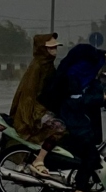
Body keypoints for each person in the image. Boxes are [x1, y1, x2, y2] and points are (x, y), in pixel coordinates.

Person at [40, 43, 106, 192]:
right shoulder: (73, 77)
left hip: (76, 122)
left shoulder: (80, 76)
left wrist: (105, 97)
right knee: (92, 157)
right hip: (72, 124)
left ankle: (81, 189)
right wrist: (102, 99)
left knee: (90, 153)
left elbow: (90, 92)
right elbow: (77, 101)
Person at [7, 33, 65, 177]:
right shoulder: (37, 66)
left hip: (43, 108)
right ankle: (39, 160)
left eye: (55, 47)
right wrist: (29, 118)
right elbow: (28, 94)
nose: (54, 50)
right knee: (59, 128)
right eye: (51, 48)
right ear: (42, 49)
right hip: (35, 111)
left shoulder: (48, 65)